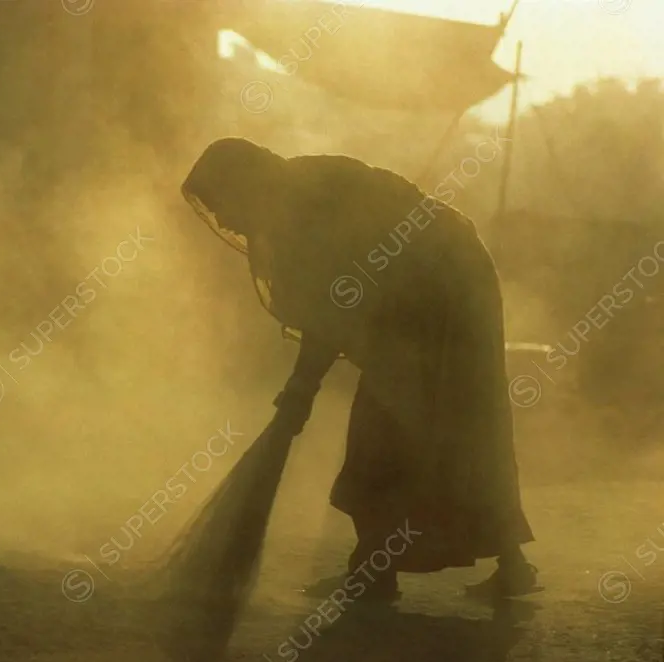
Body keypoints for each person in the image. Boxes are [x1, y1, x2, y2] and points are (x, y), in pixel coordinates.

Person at [180, 137, 539, 602]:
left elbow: (332, 308)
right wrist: (300, 390)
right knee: (413, 430)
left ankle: (380, 571)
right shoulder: (292, 201)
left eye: (222, 205)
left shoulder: (306, 207)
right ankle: (396, 568)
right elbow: (332, 307)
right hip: (423, 291)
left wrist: (301, 389)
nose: (223, 221)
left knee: (419, 429)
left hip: (446, 288)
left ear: (243, 184)